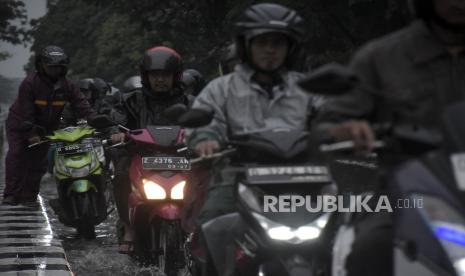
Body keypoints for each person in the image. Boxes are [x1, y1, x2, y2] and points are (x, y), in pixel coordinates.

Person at [314, 0, 465, 275]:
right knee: (370, 248)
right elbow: (326, 125)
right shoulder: (382, 57)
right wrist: (346, 130)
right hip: (406, 191)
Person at [186, 3, 317, 274]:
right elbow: (204, 121)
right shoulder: (221, 89)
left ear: (290, 48)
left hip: (306, 178)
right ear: (247, 46)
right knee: (212, 223)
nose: (270, 50)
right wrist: (206, 138)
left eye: (278, 43)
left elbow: (334, 115)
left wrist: (350, 129)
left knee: (351, 222)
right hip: (237, 176)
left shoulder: (307, 87)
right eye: (262, 42)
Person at [110, 46, 192, 253]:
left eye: (165, 75)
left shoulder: (188, 101)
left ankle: (200, 227)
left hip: (181, 156)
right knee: (120, 174)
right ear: (146, 76)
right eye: (155, 75)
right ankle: (128, 226)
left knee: (210, 175)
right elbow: (116, 119)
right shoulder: (132, 100)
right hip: (140, 154)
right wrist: (115, 132)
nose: (160, 80)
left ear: (176, 76)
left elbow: (206, 122)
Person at [2, 45, 93, 206]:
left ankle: (29, 196)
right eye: (51, 67)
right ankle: (11, 194)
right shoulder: (30, 83)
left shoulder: (67, 85)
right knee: (17, 156)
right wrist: (31, 134)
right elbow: (26, 112)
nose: (55, 71)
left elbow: (81, 105)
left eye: (58, 67)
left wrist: (93, 120)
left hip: (46, 128)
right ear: (42, 66)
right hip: (19, 124)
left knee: (38, 162)